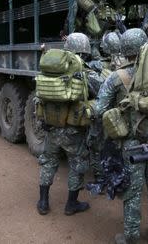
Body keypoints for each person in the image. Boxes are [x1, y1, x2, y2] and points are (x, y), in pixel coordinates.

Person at [95, 28, 148, 244]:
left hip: (131, 144)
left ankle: (131, 235)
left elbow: (99, 109)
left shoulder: (118, 77)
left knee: (133, 191)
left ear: (124, 50)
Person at [37, 32, 103, 216]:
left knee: (48, 162)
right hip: (73, 130)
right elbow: (102, 90)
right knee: (78, 164)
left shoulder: (49, 70)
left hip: (51, 126)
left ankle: (43, 202)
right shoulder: (85, 73)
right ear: (85, 49)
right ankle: (71, 204)